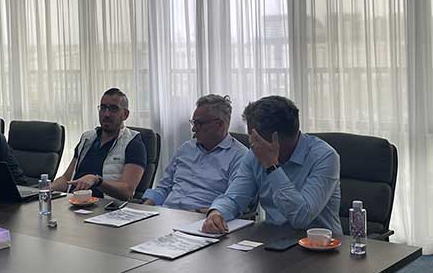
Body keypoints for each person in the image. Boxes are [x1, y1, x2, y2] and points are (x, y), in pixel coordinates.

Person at [202, 95, 342, 234]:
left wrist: (271, 166)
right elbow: (234, 198)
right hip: (273, 239)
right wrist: (217, 212)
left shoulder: (325, 157)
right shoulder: (254, 155)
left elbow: (301, 217)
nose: (251, 142)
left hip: (319, 243)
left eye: (253, 136)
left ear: (274, 138)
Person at [142, 94, 247, 212]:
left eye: (199, 123)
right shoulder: (186, 148)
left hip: (202, 217)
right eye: (193, 123)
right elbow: (163, 188)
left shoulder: (239, 156)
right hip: (167, 214)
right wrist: (144, 210)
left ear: (220, 124)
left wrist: (204, 214)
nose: (193, 129)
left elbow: (232, 201)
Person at [51, 88, 147, 200]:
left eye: (113, 109)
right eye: (103, 108)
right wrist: (47, 189)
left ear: (125, 114)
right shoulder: (87, 138)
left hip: (106, 206)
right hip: (74, 202)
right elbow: (66, 179)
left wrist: (97, 181)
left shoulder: (133, 143)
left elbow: (127, 192)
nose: (106, 114)